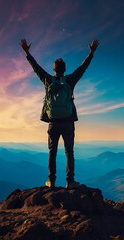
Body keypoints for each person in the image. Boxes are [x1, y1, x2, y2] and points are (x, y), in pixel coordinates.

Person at [19, 38, 99, 189]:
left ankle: (51, 181)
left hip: (53, 122)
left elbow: (36, 68)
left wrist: (27, 52)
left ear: (54, 69)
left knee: (52, 152)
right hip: (68, 121)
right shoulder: (70, 80)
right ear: (64, 69)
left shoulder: (48, 80)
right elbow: (82, 68)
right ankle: (70, 182)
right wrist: (91, 53)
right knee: (69, 152)